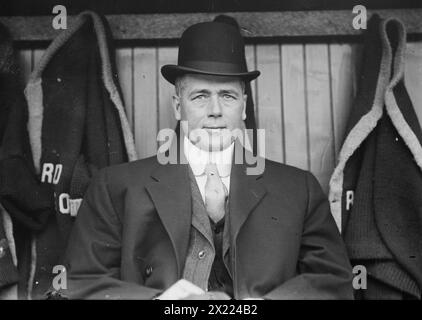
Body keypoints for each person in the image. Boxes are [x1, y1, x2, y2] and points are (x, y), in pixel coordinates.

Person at [58, 20, 353, 300]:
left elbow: (334, 281)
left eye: (227, 96)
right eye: (200, 96)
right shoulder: (114, 186)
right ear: (177, 105)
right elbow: (78, 284)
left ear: (244, 107)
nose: (215, 110)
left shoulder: (299, 189)